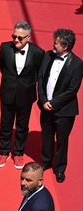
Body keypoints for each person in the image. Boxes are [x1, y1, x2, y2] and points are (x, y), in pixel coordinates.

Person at [0, 21, 45, 169]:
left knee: (22, 126)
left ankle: (18, 153)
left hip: (26, 94)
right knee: (5, 124)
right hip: (7, 92)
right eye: (14, 36)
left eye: (20, 38)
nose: (16, 40)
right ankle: (3, 152)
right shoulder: (5, 48)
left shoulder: (38, 52)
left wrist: (26, 85)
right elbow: (2, 66)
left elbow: (39, 73)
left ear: (28, 37)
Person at [37, 29, 83, 183]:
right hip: (45, 106)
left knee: (62, 140)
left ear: (65, 46)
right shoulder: (47, 55)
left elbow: (72, 90)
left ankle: (60, 168)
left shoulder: (77, 64)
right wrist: (43, 100)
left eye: (56, 43)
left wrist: (53, 103)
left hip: (64, 111)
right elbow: (41, 77)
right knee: (46, 135)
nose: (53, 44)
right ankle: (46, 161)